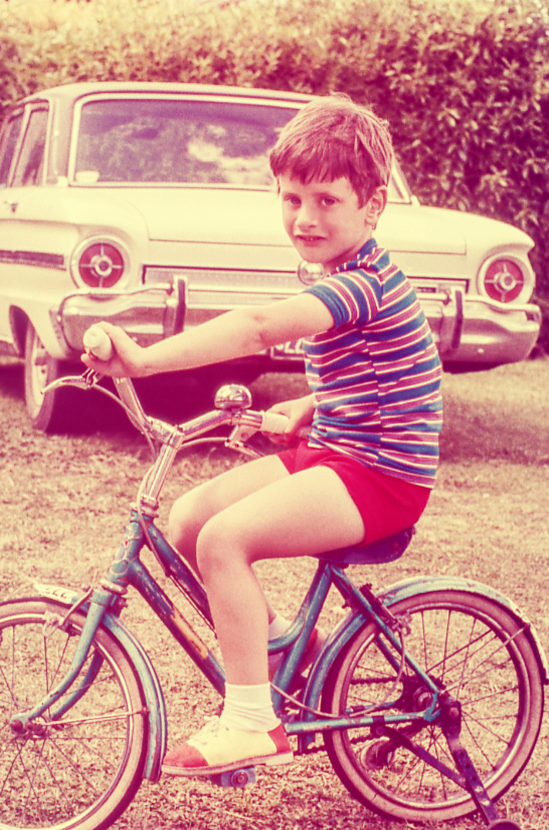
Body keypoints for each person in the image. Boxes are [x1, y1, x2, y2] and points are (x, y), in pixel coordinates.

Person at [83, 93, 442, 777]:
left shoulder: (361, 283)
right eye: (291, 198)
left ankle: (252, 722)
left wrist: (146, 360)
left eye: (327, 201)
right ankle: (283, 649)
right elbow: (388, 368)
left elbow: (254, 329)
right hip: (341, 451)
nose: (305, 218)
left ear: (372, 207)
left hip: (383, 478)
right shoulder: (343, 274)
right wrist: (312, 405)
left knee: (225, 540)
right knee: (188, 519)